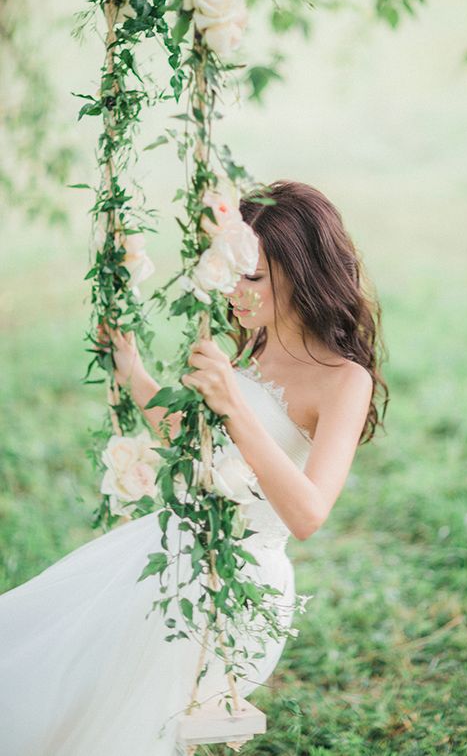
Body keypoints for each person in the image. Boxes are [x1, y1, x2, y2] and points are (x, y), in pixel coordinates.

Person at [0, 179, 388, 755]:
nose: (233, 289)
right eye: (229, 270)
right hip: (172, 547)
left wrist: (233, 405)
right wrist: (133, 368)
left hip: (235, 586)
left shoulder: (342, 380)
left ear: (302, 274)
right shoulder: (248, 347)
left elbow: (308, 513)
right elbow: (193, 441)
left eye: (251, 276)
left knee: (124, 712)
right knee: (53, 659)